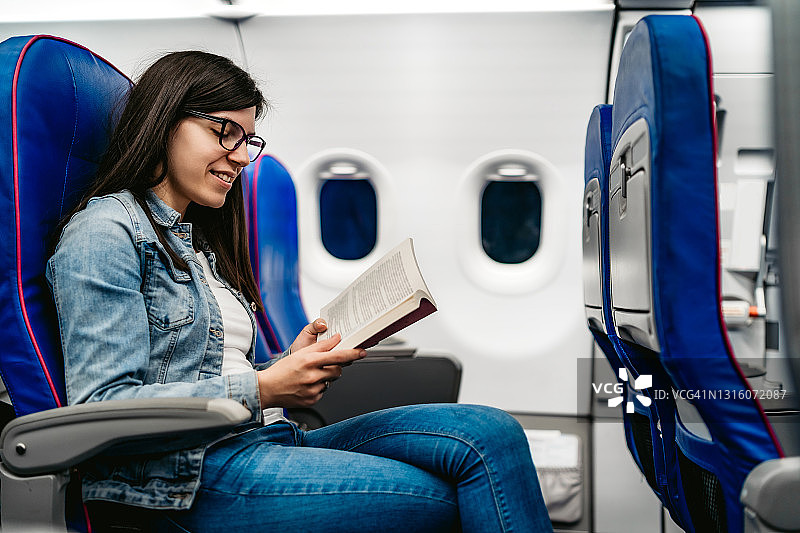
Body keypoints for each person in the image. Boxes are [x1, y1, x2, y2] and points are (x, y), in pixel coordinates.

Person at [46, 50, 552, 533]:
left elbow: (207, 369)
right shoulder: (106, 233)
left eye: (248, 139)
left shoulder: (197, 243)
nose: (241, 156)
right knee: (447, 501)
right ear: (164, 121)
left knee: (491, 434)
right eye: (225, 132)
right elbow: (105, 406)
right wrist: (265, 389)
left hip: (263, 438)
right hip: (188, 481)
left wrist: (289, 362)